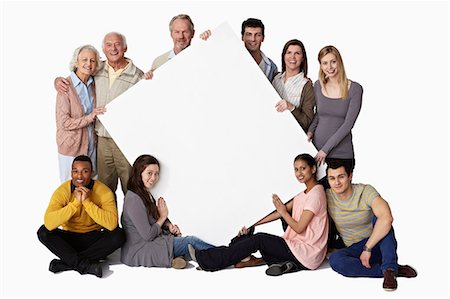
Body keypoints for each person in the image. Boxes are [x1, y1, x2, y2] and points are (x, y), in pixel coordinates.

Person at [188, 154, 328, 276]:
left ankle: (208, 261)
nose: (299, 173)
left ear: (313, 169)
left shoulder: (316, 194)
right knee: (243, 238)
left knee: (259, 239)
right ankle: (259, 261)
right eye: (296, 169)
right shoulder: (302, 194)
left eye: (303, 168)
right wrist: (253, 224)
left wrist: (283, 212)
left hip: (307, 253)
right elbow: (277, 213)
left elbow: (298, 227)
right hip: (297, 251)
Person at [55, 32, 144, 197]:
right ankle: (105, 223)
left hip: (122, 141)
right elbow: (77, 76)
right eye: (108, 45)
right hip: (99, 141)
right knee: (102, 189)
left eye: (117, 44)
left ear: (125, 47)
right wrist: (57, 80)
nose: (113, 48)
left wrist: (151, 77)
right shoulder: (97, 71)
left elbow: (144, 106)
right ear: (104, 49)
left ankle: (131, 222)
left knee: (130, 187)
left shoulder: (136, 76)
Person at [326, 160, 417, 291]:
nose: (337, 182)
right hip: (354, 249)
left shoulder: (365, 191)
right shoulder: (327, 196)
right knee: (335, 260)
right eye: (332, 178)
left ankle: (389, 269)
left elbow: (387, 218)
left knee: (380, 219)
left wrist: (367, 249)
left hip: (378, 245)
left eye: (341, 176)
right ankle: (387, 270)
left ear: (350, 176)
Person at [120, 154, 215, 269]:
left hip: (150, 243)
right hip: (140, 248)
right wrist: (163, 217)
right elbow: (148, 235)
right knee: (192, 241)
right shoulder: (133, 199)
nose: (154, 178)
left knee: (189, 247)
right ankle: (227, 255)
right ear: (138, 173)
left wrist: (168, 225)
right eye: (149, 173)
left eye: (156, 174)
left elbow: (151, 218)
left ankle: (181, 258)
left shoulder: (145, 193)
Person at [37, 155, 125, 278]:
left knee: (119, 235)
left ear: (92, 173)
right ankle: (84, 264)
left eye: (85, 171)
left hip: (93, 237)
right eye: (76, 171)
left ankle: (67, 262)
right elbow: (49, 223)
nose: (79, 176)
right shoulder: (62, 191)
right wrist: (76, 203)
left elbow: (112, 224)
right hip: (70, 238)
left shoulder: (103, 191)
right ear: (71, 172)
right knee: (43, 232)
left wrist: (87, 202)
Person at [307, 45, 363, 172]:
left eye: (333, 62)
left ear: (339, 62)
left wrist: (325, 150)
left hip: (341, 155)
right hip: (316, 152)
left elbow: (348, 124)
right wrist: (310, 131)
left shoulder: (355, 89)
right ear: (320, 65)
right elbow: (318, 115)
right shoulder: (318, 85)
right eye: (325, 63)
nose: (329, 67)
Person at [56, 45, 106, 182]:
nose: (88, 64)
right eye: (84, 59)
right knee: (69, 188)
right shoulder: (65, 86)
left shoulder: (94, 83)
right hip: (71, 148)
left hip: (91, 145)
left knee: (91, 186)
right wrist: (91, 117)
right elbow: (64, 122)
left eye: (92, 60)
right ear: (76, 62)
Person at [144, 14, 210, 79]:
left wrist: (210, 42)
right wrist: (147, 80)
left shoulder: (202, 54)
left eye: (185, 32)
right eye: (177, 32)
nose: (181, 36)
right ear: (171, 34)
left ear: (193, 33)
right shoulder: (158, 63)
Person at [272, 39, 315, 133]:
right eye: (289, 52)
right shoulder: (275, 78)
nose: (292, 57)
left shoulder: (306, 86)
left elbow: (307, 122)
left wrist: (291, 107)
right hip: (271, 131)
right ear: (284, 56)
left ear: (303, 58)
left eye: (297, 53)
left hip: (291, 137)